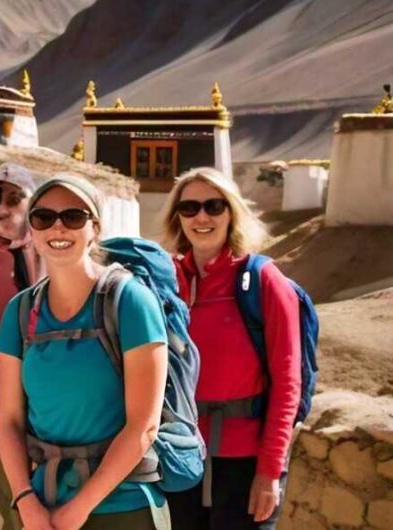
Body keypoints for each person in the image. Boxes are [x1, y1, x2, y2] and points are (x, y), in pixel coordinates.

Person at [0, 174, 170, 530]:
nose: (58, 228)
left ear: (95, 228)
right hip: (42, 504)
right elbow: (9, 419)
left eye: (73, 216)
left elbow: (143, 426)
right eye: (44, 217)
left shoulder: (131, 302)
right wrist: (25, 501)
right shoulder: (20, 310)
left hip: (123, 504)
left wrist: (79, 509)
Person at [160, 167, 300, 530]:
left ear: (231, 213)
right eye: (189, 207)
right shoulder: (165, 281)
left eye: (214, 206)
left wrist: (270, 472)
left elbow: (288, 383)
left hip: (244, 461)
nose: (201, 217)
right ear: (177, 216)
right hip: (178, 456)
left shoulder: (264, 280)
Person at [0, 162, 43, 530]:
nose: (3, 209)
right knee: (4, 485)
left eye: (14, 198)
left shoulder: (47, 250)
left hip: (39, 392)